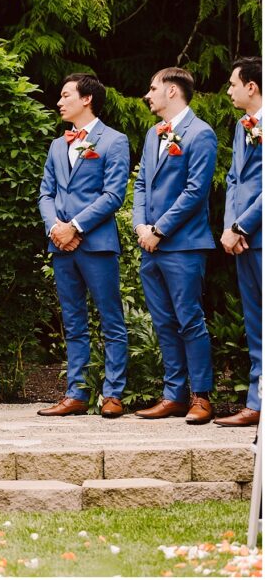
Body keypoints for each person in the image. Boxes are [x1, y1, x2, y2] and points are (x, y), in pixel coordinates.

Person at [35, 74, 130, 418]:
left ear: (86, 98)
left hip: (97, 245)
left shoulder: (114, 141)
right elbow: (46, 192)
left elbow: (113, 195)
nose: (59, 102)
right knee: (73, 321)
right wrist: (55, 228)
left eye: (65, 96)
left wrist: (75, 226)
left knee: (110, 319)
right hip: (60, 245)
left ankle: (113, 393)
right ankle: (75, 392)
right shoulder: (58, 145)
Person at [132, 67, 217, 424]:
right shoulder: (153, 134)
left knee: (189, 320)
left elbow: (196, 192)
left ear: (171, 91)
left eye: (152, 89)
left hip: (182, 245)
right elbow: (140, 184)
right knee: (163, 322)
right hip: (150, 245)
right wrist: (139, 225)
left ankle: (201, 397)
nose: (147, 95)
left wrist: (160, 230)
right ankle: (174, 395)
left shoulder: (201, 134)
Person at [216, 57, 262, 427]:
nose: (228, 91)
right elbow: (234, 179)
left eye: (233, 84)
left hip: (258, 235)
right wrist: (231, 227)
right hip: (244, 240)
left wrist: (243, 226)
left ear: (252, 86)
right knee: (254, 323)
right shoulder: (241, 126)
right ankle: (256, 403)